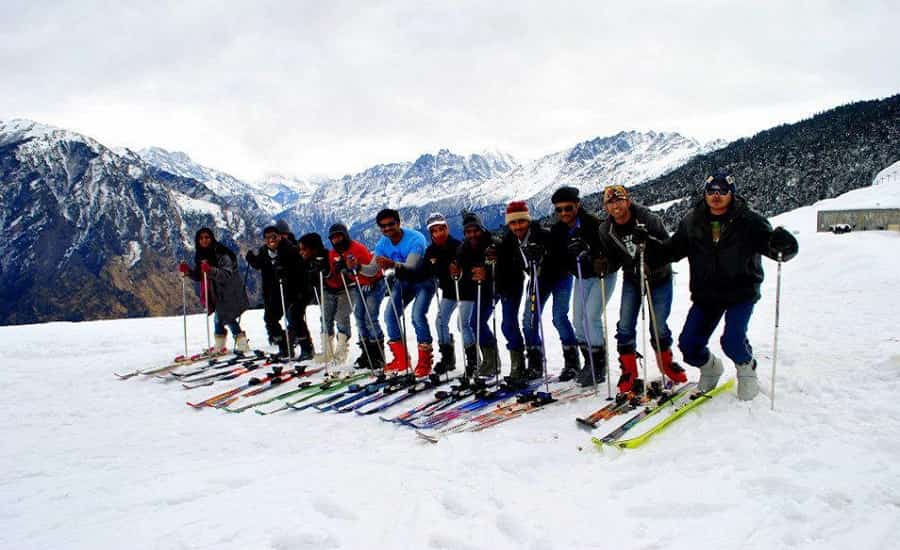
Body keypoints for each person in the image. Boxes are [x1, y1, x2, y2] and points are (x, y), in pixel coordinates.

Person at [642, 172, 798, 400]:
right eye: (711, 191)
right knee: (689, 344)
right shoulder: (692, 222)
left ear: (731, 194)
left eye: (722, 191)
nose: (716, 196)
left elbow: (774, 250)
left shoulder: (750, 222)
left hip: (741, 292)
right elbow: (671, 250)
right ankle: (711, 369)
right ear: (704, 194)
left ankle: (747, 370)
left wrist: (786, 246)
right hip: (707, 295)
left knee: (732, 340)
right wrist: (649, 247)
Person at [597, 185, 687, 394]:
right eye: (610, 202)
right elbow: (613, 260)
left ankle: (666, 363)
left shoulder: (648, 219)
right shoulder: (606, 230)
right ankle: (629, 370)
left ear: (628, 201)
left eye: (619, 200)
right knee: (625, 325)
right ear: (606, 207)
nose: (616, 205)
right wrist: (603, 264)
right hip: (632, 277)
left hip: (659, 277)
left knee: (658, 324)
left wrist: (649, 247)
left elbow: (669, 248)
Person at [496, 201, 575, 384]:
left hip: (560, 278)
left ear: (528, 221)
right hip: (538, 281)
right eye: (513, 223)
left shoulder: (543, 235)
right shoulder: (509, 242)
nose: (518, 227)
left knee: (559, 317)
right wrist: (501, 289)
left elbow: (563, 257)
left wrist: (544, 255)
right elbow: (503, 267)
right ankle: (535, 363)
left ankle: (572, 362)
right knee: (529, 322)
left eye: (521, 222)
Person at [550, 186, 617, 387]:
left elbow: (611, 252)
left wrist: (591, 252)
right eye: (559, 210)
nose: (564, 213)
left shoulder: (594, 224)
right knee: (578, 320)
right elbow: (558, 258)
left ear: (577, 205)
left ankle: (599, 366)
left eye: (568, 208)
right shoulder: (558, 231)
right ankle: (589, 362)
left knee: (591, 316)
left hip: (602, 276)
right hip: (581, 277)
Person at [362, 209, 433, 376]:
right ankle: (401, 359)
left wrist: (392, 263)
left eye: (390, 225)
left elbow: (413, 265)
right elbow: (372, 270)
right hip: (403, 282)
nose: (387, 229)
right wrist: (356, 267)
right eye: (383, 227)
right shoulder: (382, 244)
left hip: (423, 281)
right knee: (390, 315)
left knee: (417, 316)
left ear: (398, 223)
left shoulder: (416, 238)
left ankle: (425, 360)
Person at [245, 226, 313, 359]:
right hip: (274, 292)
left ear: (280, 237)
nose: (271, 240)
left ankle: (306, 348)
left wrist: (286, 274)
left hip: (293, 291)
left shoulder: (291, 250)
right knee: (270, 319)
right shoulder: (264, 252)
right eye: (267, 238)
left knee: (294, 318)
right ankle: (284, 346)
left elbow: (302, 270)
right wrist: (252, 260)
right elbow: (259, 264)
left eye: (274, 237)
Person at [180, 227, 250, 354]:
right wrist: (188, 272)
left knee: (225, 317)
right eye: (201, 238)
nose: (204, 240)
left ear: (212, 238)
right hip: (217, 291)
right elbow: (200, 275)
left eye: (207, 237)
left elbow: (226, 274)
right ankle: (231, 344)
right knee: (222, 318)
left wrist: (210, 270)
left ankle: (236, 344)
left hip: (229, 290)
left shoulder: (222, 253)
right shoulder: (201, 255)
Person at [329, 223, 386, 370]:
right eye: (333, 238)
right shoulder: (334, 253)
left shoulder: (358, 248)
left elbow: (371, 270)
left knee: (370, 318)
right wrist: (338, 270)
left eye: (339, 236)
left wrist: (354, 270)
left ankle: (378, 355)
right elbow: (337, 274)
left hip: (374, 284)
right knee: (359, 317)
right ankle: (366, 352)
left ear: (345, 235)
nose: (337, 240)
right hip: (359, 285)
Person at [423, 212, 472, 374]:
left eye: (441, 229)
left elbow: (468, 269)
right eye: (434, 231)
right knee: (440, 322)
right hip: (449, 292)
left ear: (447, 228)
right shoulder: (431, 251)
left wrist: (458, 271)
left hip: (466, 290)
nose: (438, 233)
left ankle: (473, 360)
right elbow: (427, 270)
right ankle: (447, 357)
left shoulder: (458, 246)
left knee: (463, 323)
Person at [454, 212, 501, 378]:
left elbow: (504, 268)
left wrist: (487, 272)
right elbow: (461, 270)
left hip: (492, 289)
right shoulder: (463, 248)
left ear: (482, 229)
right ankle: (487, 361)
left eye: (475, 230)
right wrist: (456, 271)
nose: (472, 234)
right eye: (468, 232)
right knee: (471, 323)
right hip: (475, 290)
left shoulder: (493, 244)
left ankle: (493, 361)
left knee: (477, 322)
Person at [297, 232, 349, 365]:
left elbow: (336, 274)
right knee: (325, 318)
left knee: (341, 318)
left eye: (304, 249)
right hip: (325, 290)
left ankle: (341, 351)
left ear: (314, 248)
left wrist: (326, 272)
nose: (301, 252)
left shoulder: (329, 256)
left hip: (342, 289)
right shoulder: (307, 261)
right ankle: (327, 352)